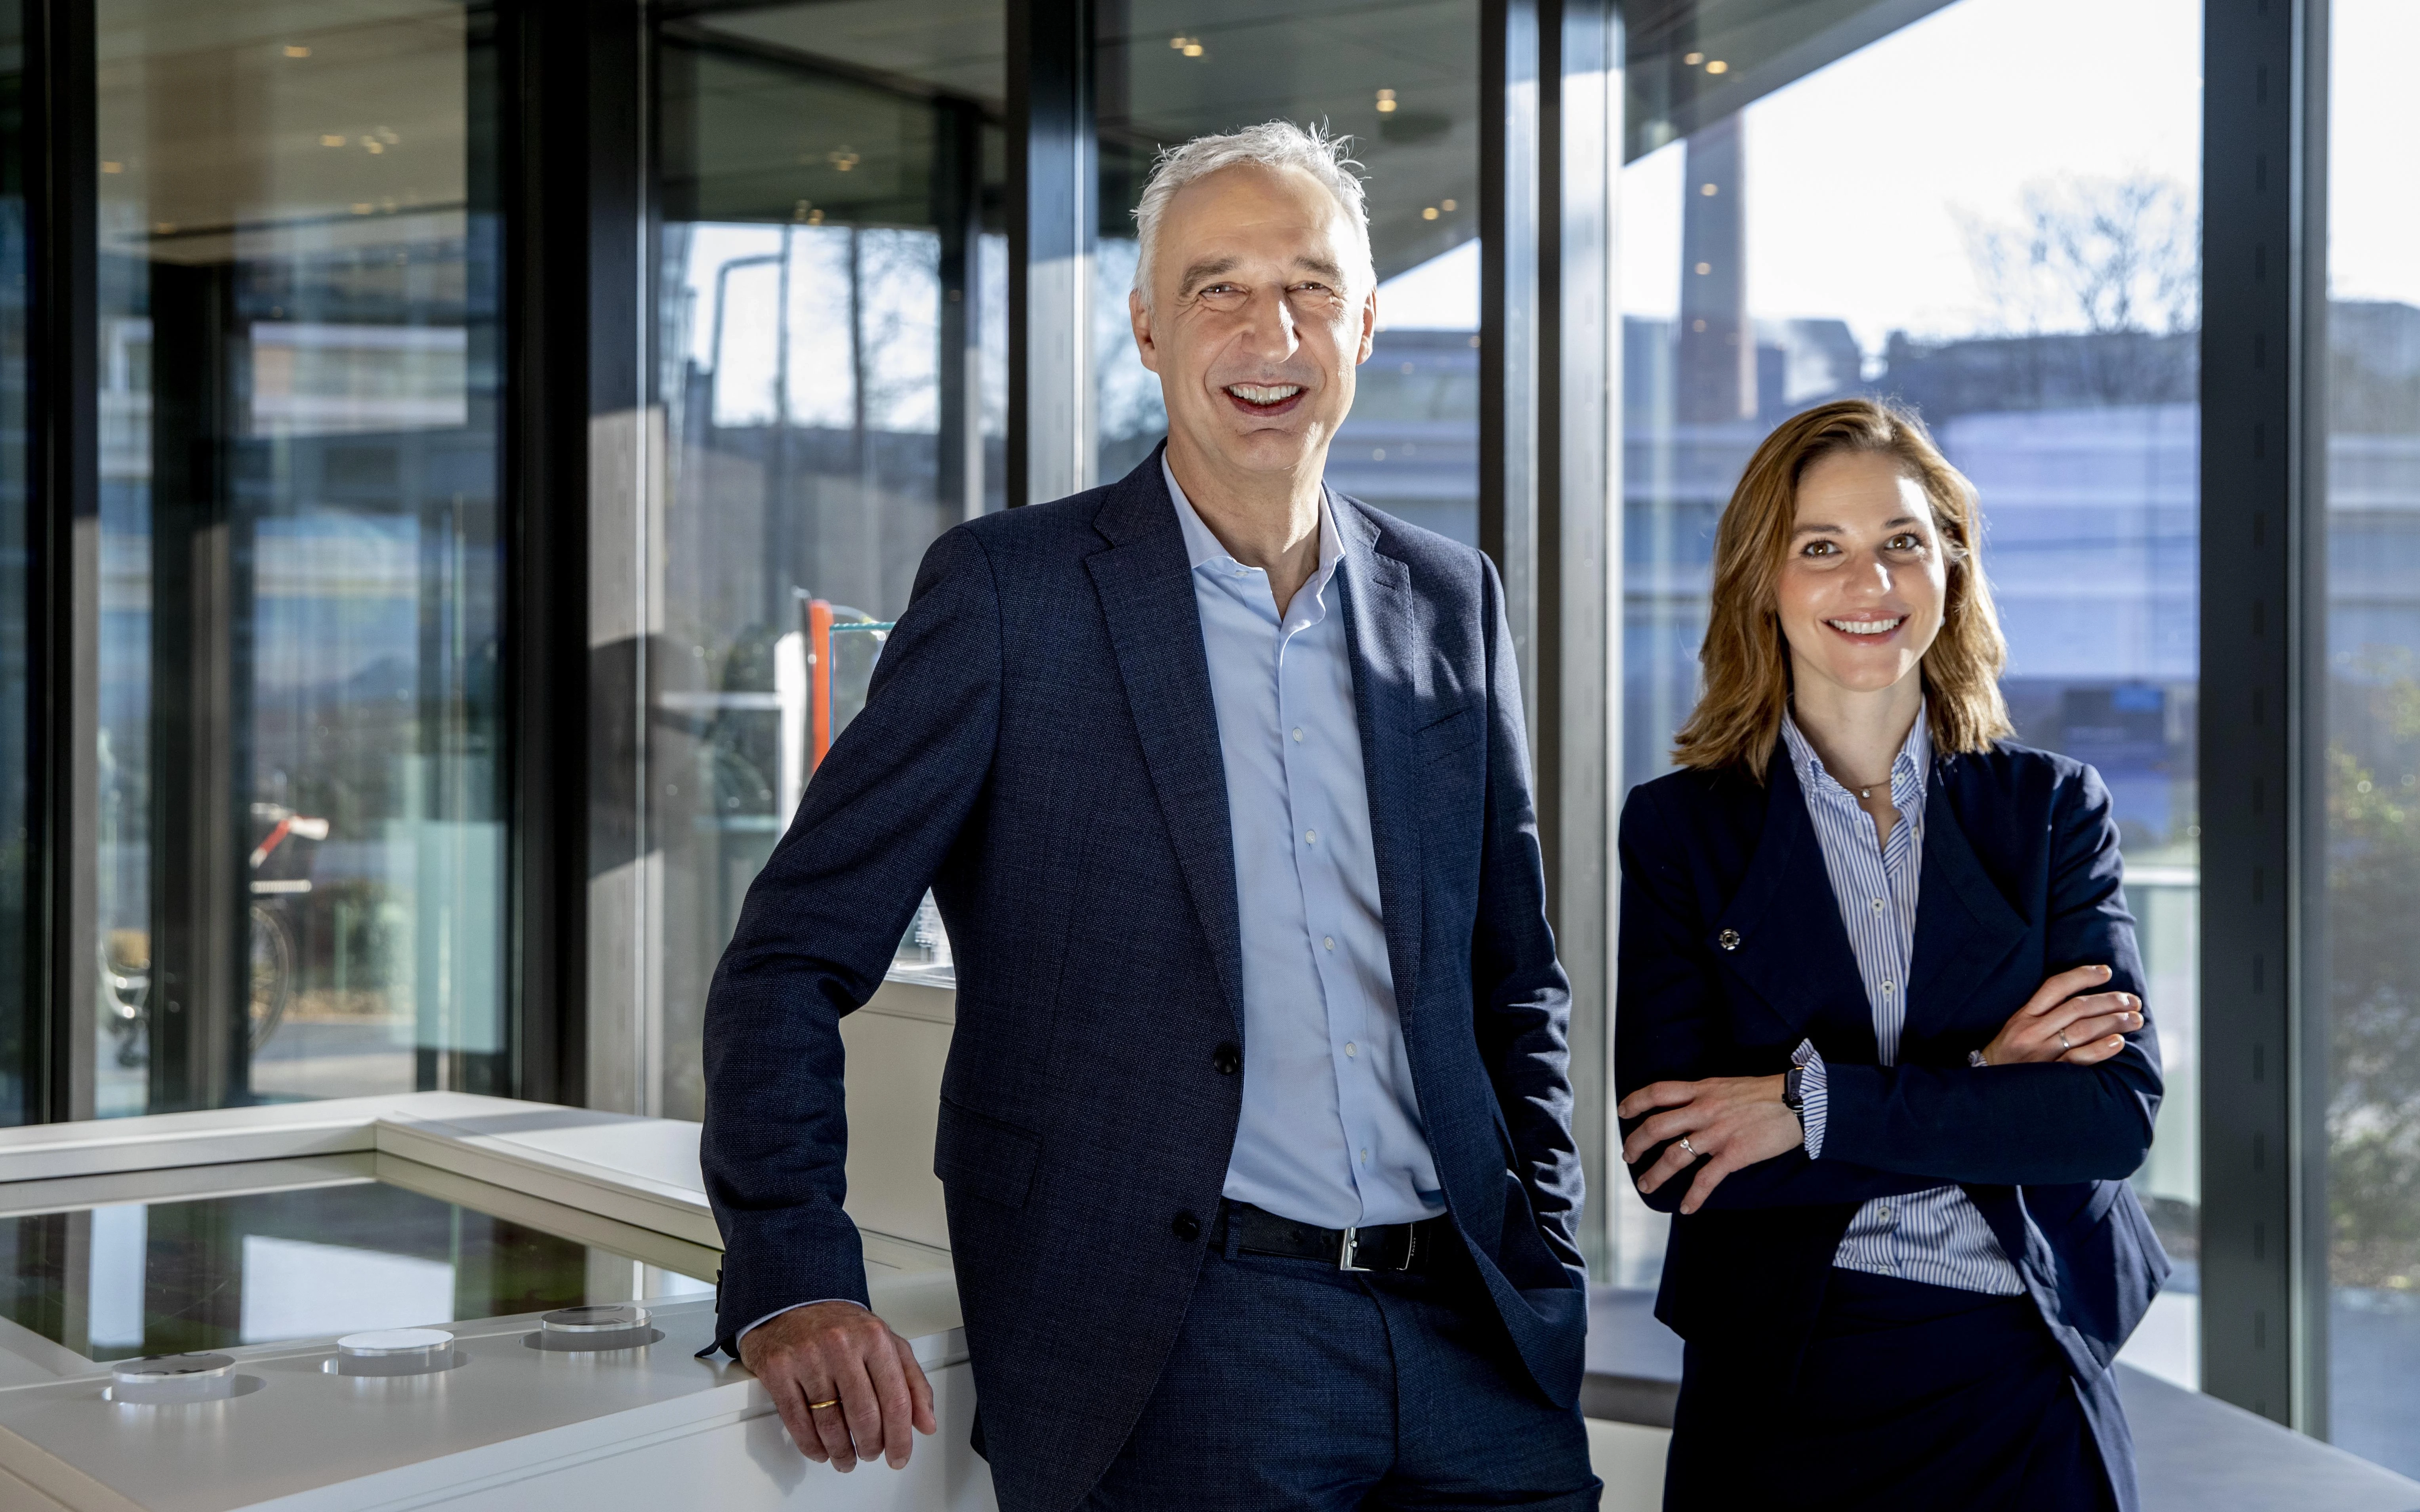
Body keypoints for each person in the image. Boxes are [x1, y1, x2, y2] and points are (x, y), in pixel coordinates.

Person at [698, 121, 1599, 1512]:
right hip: (1183, 1348)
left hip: (1474, 1339)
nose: (1269, 331)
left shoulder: (1448, 602)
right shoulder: (1014, 594)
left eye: (1308, 287)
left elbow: (1511, 978)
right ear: (1144, 326)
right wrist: (792, 1275)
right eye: (1216, 286)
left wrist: (1543, 1241)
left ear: (1364, 322)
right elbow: (786, 961)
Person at [1613, 398, 2169, 1510]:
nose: (1868, 585)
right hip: (1785, 1389)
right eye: (1821, 549)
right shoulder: (1682, 830)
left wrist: (1809, 1109)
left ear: (1950, 570)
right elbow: (1677, 1155)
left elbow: (2105, 1119)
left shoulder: (2051, 811)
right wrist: (1979, 1088)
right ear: (1762, 581)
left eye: (1901, 544)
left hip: (2021, 1373)